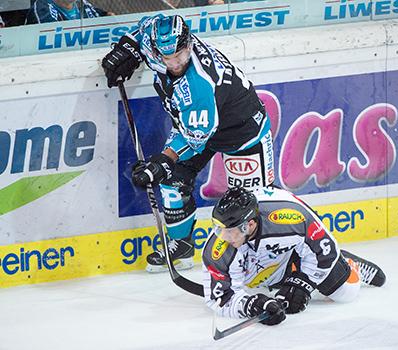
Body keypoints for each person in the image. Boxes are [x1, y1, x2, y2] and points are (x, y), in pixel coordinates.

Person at [102, 14, 274, 273]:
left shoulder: (199, 84)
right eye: (167, 58)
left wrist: (163, 160)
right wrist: (126, 50)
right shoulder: (160, 45)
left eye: (181, 55)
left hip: (242, 132)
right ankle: (181, 245)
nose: (175, 63)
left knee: (250, 204)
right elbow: (143, 29)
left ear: (189, 44)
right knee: (172, 180)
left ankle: (271, 256)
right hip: (198, 126)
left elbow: (196, 137)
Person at [202, 186, 386, 324]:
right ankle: (287, 273)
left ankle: (348, 263)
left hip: (298, 251)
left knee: (346, 294)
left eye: (230, 231)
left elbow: (324, 250)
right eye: (219, 229)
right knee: (262, 283)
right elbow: (221, 298)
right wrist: (253, 306)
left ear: (249, 224)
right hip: (268, 264)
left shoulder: (291, 218)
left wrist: (303, 283)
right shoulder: (218, 248)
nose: (224, 237)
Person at [26, 0, 111, 24]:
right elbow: (50, 36)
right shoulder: (42, 6)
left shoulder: (82, 3)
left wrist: (108, 16)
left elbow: (102, 17)